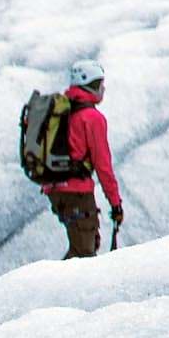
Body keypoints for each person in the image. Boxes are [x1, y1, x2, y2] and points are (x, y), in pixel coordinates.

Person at [42, 56, 123, 258]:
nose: (103, 89)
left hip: (55, 188)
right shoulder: (93, 118)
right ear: (92, 85)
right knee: (84, 252)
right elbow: (103, 166)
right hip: (76, 191)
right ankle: (48, 288)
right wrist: (115, 203)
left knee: (84, 246)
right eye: (100, 84)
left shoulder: (61, 110)